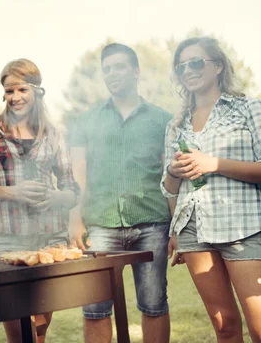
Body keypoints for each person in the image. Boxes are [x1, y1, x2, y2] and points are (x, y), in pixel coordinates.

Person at [0, 58, 79, 343]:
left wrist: (54, 197)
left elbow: (72, 190)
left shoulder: (53, 134)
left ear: (37, 91)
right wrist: (11, 191)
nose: (15, 97)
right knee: (17, 323)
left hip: (51, 239)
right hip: (6, 238)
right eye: (9, 91)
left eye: (22, 90)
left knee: (40, 323)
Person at [68, 43, 172, 343]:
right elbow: (77, 174)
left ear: (136, 71)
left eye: (119, 67)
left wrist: (175, 226)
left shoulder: (162, 120)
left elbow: (170, 176)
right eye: (107, 69)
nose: (112, 74)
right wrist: (75, 220)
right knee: (95, 308)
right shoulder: (86, 120)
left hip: (152, 222)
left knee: (154, 303)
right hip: (100, 224)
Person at [162, 37, 261, 343]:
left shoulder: (248, 108)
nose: (187, 71)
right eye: (181, 66)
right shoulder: (176, 125)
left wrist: (214, 163)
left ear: (217, 66)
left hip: (243, 227)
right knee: (224, 327)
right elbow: (169, 190)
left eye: (195, 62)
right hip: (193, 231)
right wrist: (172, 173)